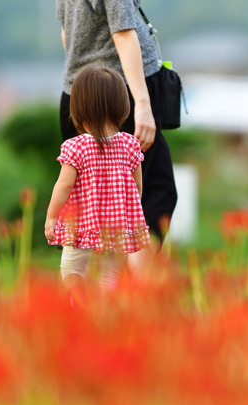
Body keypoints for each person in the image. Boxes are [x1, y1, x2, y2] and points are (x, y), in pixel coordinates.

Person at [57, 0, 176, 246]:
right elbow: (122, 33)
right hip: (118, 92)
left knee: (89, 192)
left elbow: (66, 34)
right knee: (154, 190)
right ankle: (134, 281)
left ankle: (96, 278)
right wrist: (142, 102)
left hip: (78, 92)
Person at [44, 65, 150, 294]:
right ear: (122, 107)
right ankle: (104, 313)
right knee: (110, 274)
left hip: (80, 226)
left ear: (79, 109)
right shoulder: (130, 145)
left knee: (73, 268)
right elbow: (137, 186)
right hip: (116, 227)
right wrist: (128, 213)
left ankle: (79, 306)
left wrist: (52, 216)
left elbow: (64, 186)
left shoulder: (75, 147)